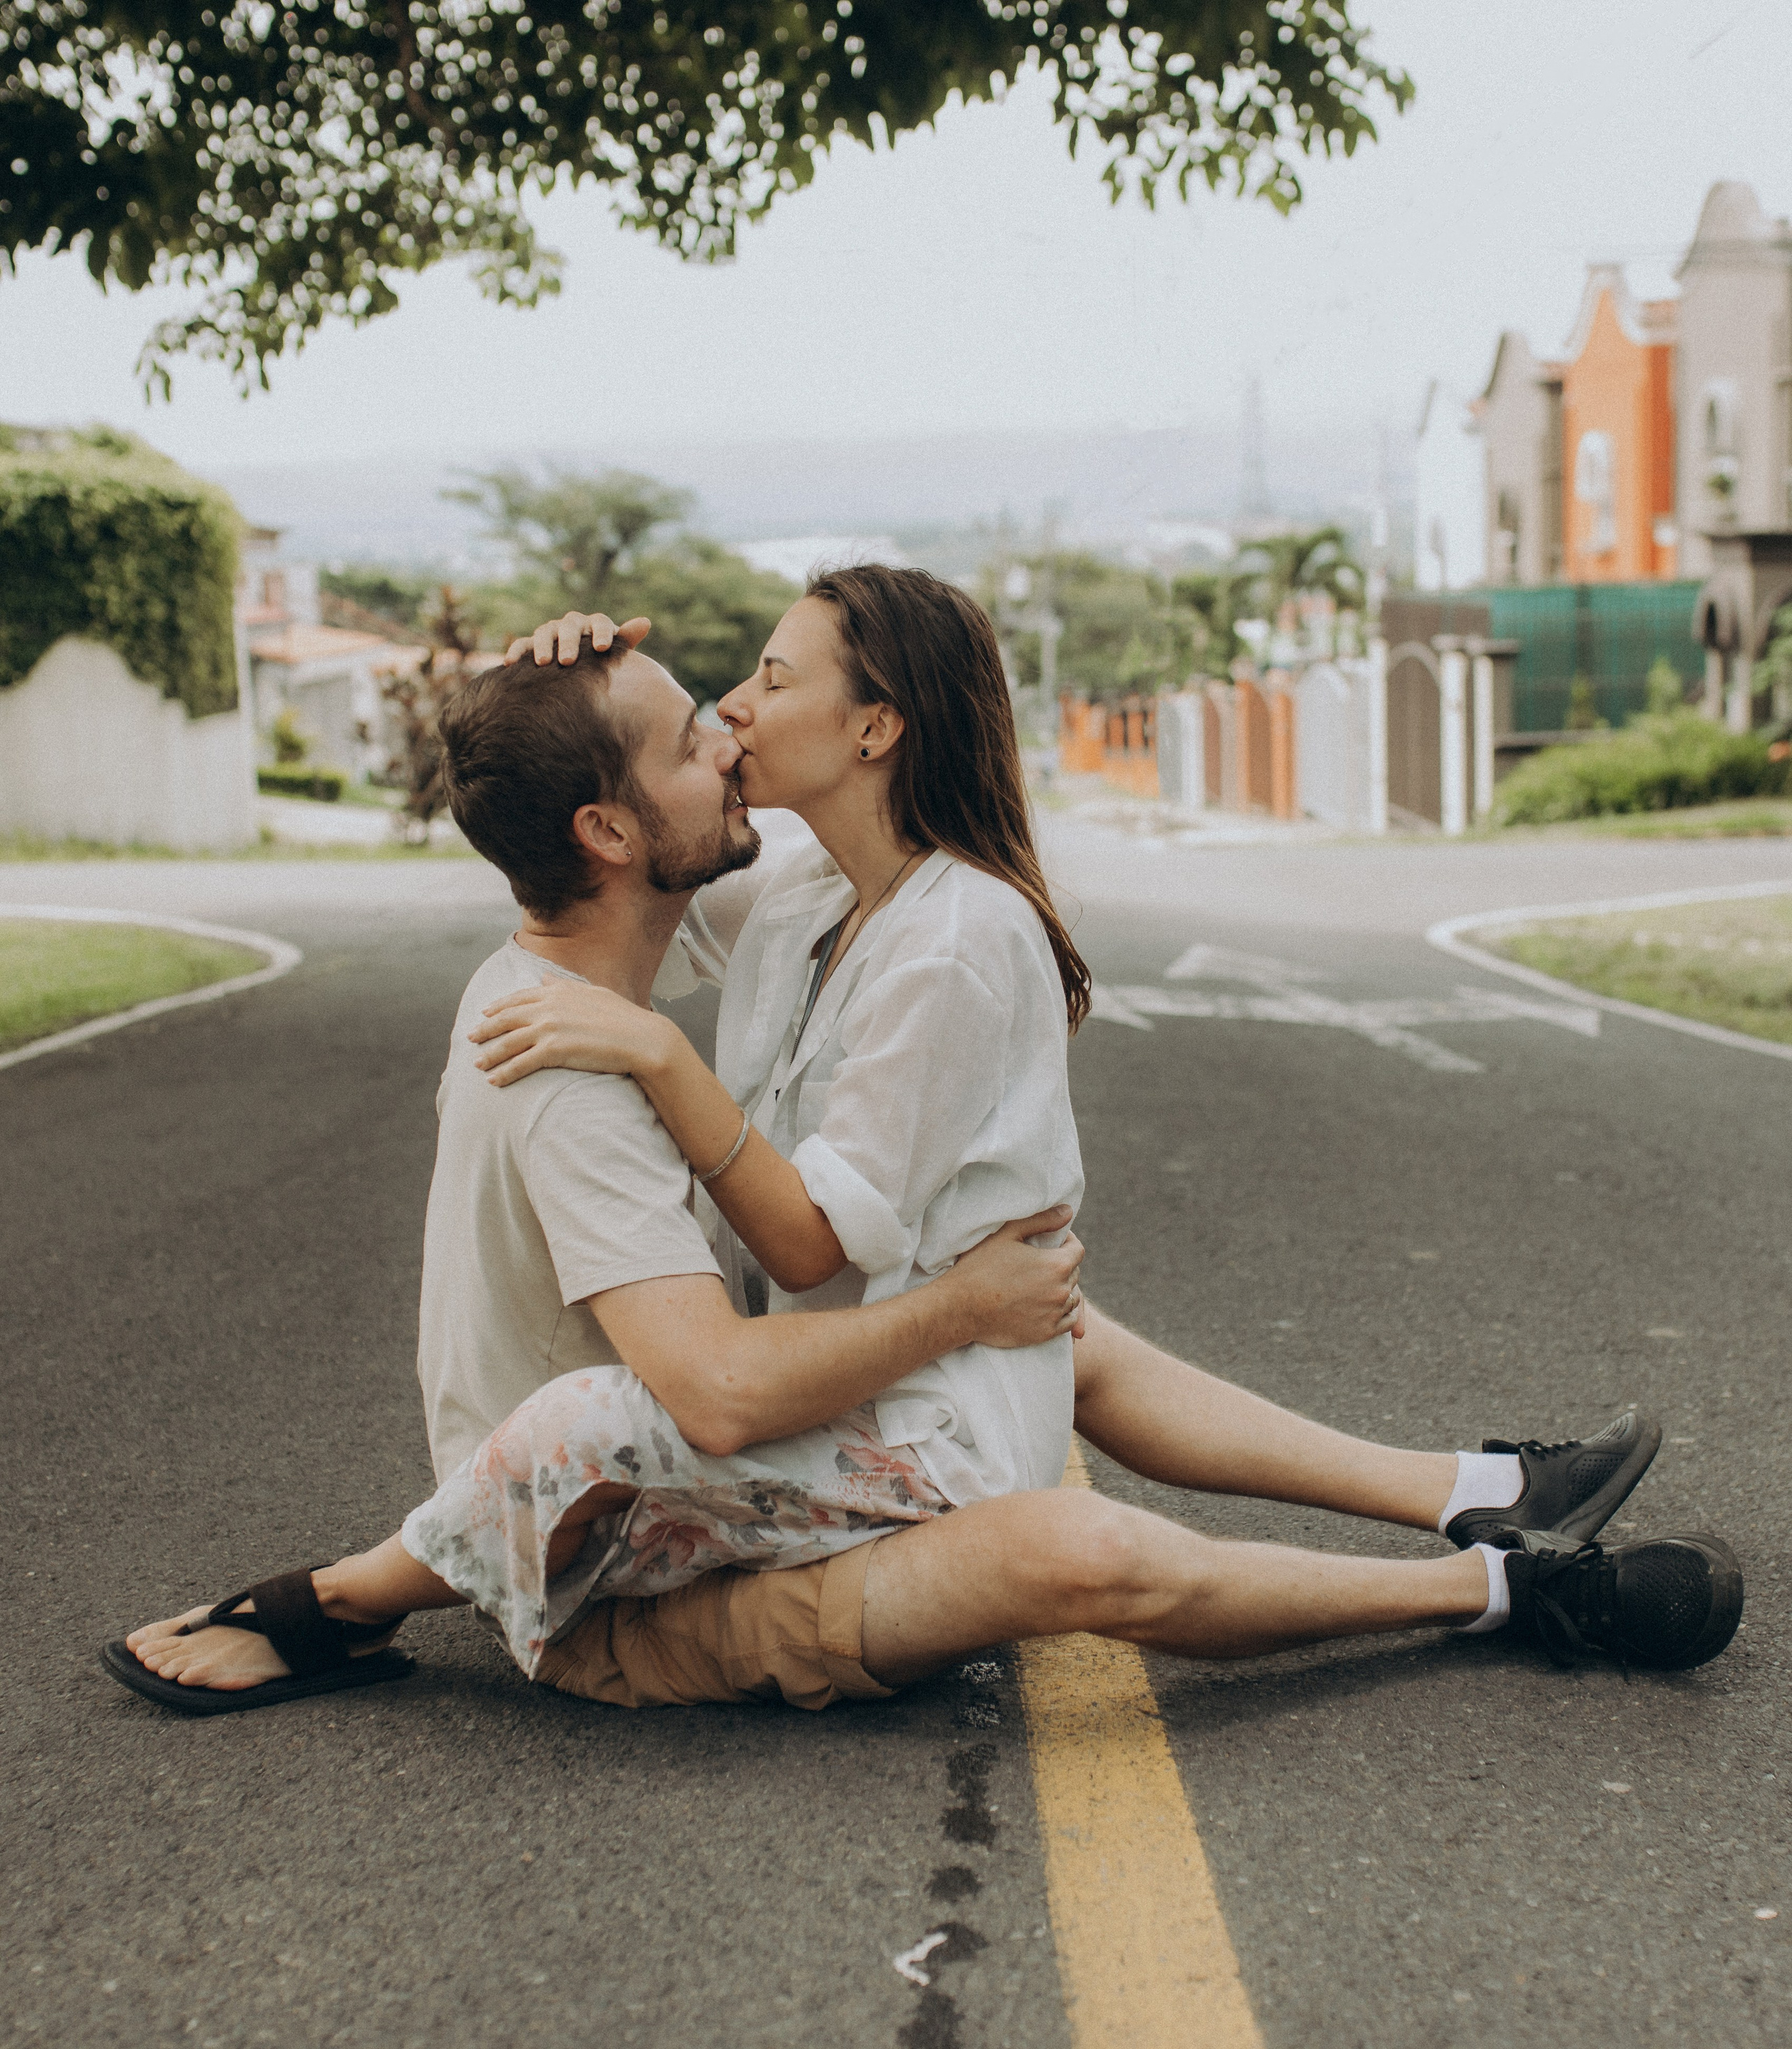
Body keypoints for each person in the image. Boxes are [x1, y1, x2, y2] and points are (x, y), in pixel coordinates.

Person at [105, 592, 1744, 1714]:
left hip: (698, 1490)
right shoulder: (574, 1057)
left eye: (746, 698)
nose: (732, 734)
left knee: (1036, 1312)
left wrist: (554, 661)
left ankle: (1474, 1493)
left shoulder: (737, 908)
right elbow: (715, 1399)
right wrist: (958, 1313)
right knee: (1055, 1521)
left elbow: (606, 822)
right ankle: (1523, 1596)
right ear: (614, 832)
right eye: (695, 733)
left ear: (876, 730)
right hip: (605, 1579)